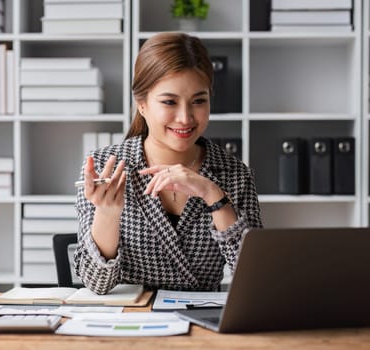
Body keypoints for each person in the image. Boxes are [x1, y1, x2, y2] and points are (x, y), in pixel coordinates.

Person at [74, 32, 262, 294]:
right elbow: (96, 284)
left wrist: (213, 195)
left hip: (202, 324)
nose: (185, 118)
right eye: (169, 102)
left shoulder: (234, 174)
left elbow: (255, 279)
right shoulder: (106, 167)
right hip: (129, 323)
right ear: (142, 104)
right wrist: (108, 212)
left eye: (198, 101)